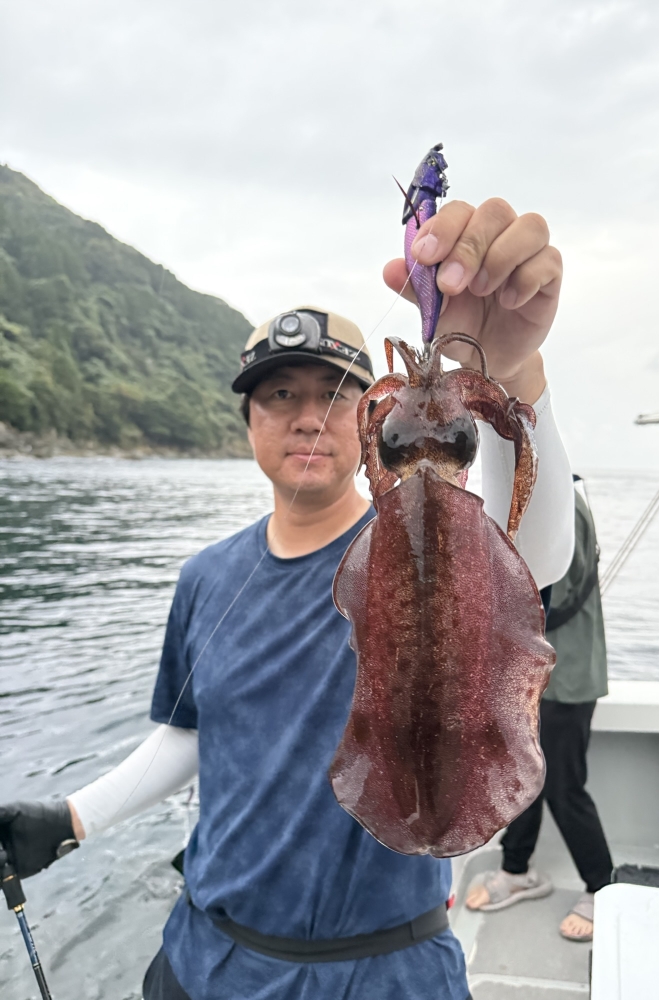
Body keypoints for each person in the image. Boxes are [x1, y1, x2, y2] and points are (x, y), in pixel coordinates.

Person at [0, 196, 575, 1000]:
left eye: (334, 395)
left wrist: (516, 375)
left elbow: (537, 557)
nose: (308, 418)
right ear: (248, 421)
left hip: (384, 967)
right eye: (279, 395)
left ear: (373, 417)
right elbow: (193, 734)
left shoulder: (420, 548)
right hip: (206, 957)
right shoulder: (205, 576)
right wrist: (71, 819)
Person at [464, 476, 612, 944]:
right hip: (535, 679)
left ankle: (602, 888)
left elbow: (551, 600)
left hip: (565, 678)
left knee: (564, 788)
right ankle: (516, 870)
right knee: (521, 777)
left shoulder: (559, 506)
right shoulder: (544, 502)